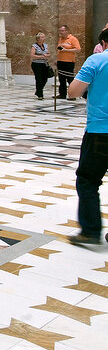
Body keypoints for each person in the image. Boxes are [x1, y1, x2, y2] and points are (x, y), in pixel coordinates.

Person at [66, 27, 108, 245]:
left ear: (103, 43)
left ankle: (91, 231)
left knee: (88, 181)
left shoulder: (96, 60)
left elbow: (73, 91)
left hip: (100, 131)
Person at [57, 25, 82, 100]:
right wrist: (57, 59)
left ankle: (72, 95)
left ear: (67, 31)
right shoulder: (60, 39)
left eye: (62, 31)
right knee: (61, 79)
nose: (60, 32)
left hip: (69, 62)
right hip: (60, 61)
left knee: (70, 79)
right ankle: (62, 94)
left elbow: (78, 49)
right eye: (60, 31)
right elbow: (59, 50)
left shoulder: (73, 39)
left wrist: (66, 50)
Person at [30, 32, 52, 100]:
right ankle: (40, 94)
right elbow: (32, 55)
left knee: (45, 78)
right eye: (42, 37)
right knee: (39, 78)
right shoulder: (34, 46)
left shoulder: (45, 45)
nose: (44, 38)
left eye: (44, 37)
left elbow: (49, 54)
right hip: (36, 64)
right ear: (38, 39)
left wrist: (47, 55)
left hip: (44, 64)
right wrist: (41, 57)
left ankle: (38, 90)